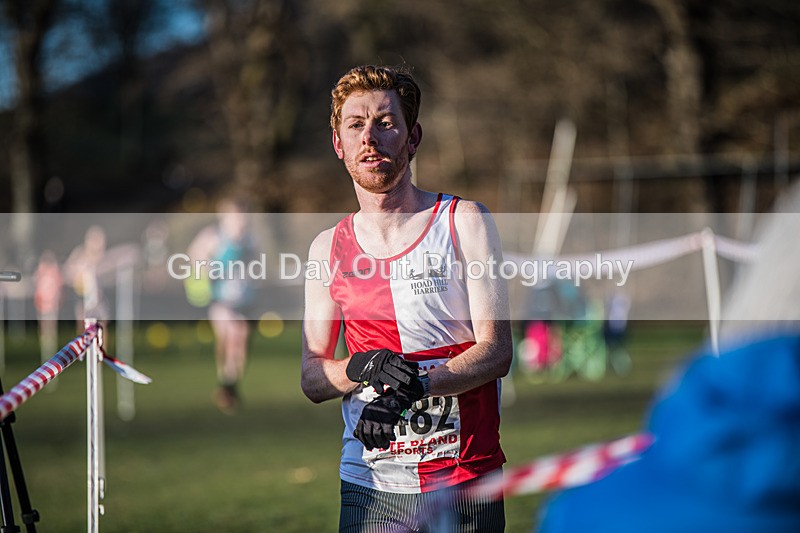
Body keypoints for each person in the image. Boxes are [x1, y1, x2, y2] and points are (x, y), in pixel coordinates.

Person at [301, 65, 513, 532]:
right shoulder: (326, 248)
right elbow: (312, 378)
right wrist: (360, 367)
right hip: (370, 483)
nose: (369, 138)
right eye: (355, 125)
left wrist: (412, 387)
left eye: (385, 123)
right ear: (338, 144)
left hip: (465, 478)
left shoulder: (464, 221)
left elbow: (497, 351)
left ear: (413, 137)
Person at [188, 196, 255, 414]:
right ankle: (225, 383)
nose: (239, 221)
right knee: (229, 336)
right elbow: (194, 257)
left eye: (242, 217)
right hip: (220, 297)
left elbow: (257, 264)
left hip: (243, 298)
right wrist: (207, 269)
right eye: (235, 217)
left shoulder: (248, 239)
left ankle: (230, 384)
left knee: (240, 339)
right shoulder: (213, 236)